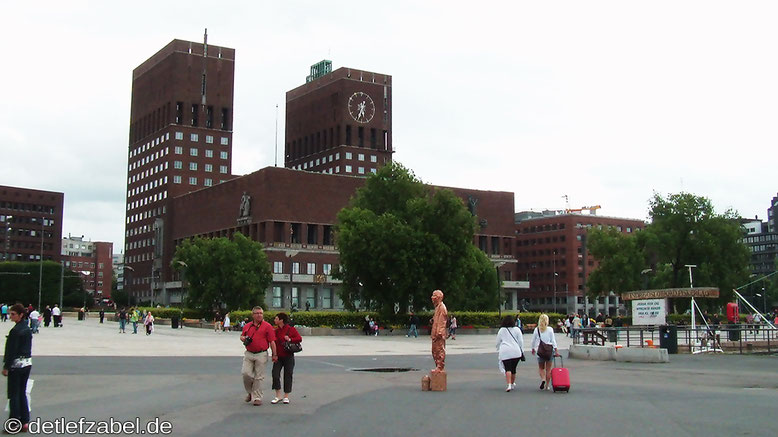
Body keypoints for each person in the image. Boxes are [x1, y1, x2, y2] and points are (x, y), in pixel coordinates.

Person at [3, 303, 32, 433]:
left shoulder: (15, 331)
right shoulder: (26, 328)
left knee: (13, 394)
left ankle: (14, 423)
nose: (11, 316)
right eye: (10, 314)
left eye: (13, 314)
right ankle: (24, 420)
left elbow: (11, 351)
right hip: (27, 363)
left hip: (16, 365)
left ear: (21, 315)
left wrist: (6, 366)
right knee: (21, 392)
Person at [240, 306, 277, 406]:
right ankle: (250, 392)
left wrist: (274, 354)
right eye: (257, 313)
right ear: (253, 315)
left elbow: (272, 341)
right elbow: (242, 336)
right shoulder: (247, 326)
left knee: (259, 377)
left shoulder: (267, 326)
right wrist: (243, 338)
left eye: (261, 313)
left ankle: (257, 397)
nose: (259, 315)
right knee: (246, 374)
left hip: (261, 353)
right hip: (249, 353)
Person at [271, 312, 302, 405]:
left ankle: (286, 396)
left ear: (281, 320)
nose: (274, 320)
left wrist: (290, 339)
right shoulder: (275, 331)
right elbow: (273, 343)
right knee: (275, 374)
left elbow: (299, 338)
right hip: (278, 356)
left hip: (288, 355)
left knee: (288, 375)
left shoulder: (290, 329)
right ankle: (278, 395)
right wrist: (274, 354)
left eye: (276, 318)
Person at [496, 315, 524, 392]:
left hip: (505, 351)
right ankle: (512, 383)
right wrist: (521, 350)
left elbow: (498, 341)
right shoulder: (517, 330)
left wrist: (498, 348)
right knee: (513, 369)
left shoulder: (502, 330)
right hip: (516, 352)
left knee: (507, 369)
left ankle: (508, 384)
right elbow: (521, 341)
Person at [531, 314, 558, 390]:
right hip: (549, 350)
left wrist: (533, 348)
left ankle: (543, 379)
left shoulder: (537, 329)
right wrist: (556, 349)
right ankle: (547, 386)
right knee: (548, 369)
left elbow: (533, 340)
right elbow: (553, 340)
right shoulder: (550, 329)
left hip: (540, 350)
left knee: (541, 368)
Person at [430, 290, 448, 373]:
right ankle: (437, 365)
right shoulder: (437, 307)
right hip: (435, 334)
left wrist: (439, 332)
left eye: (434, 296)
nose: (432, 298)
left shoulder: (442, 307)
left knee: (439, 350)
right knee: (434, 351)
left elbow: (442, 321)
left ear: (438, 297)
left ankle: (440, 366)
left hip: (438, 335)